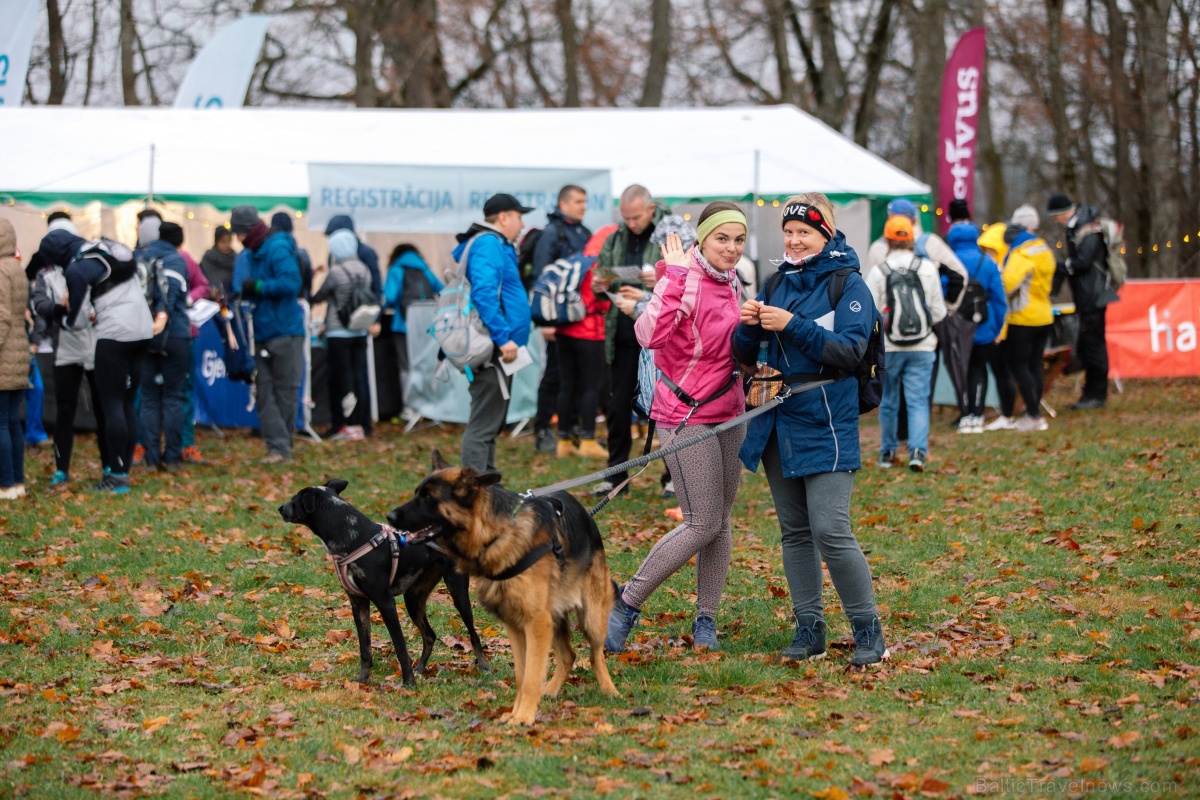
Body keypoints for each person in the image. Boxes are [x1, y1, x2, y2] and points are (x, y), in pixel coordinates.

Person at [733, 193, 889, 667]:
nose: (795, 239)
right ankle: (809, 629)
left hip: (827, 418)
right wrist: (748, 329)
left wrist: (793, 324)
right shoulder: (777, 281)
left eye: (805, 231)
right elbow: (747, 352)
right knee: (795, 532)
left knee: (830, 528)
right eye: (789, 232)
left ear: (826, 233)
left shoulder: (850, 284)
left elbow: (848, 352)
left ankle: (868, 631)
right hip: (777, 419)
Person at [605, 202, 748, 653]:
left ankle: (706, 620)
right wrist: (676, 277)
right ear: (703, 238)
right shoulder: (682, 277)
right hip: (686, 414)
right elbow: (648, 335)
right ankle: (625, 604)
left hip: (732, 410)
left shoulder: (734, 282)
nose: (731, 248)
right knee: (701, 521)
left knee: (719, 522)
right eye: (722, 238)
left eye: (739, 240)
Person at [42, 228, 153, 493]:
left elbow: (75, 321)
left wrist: (63, 313)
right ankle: (122, 471)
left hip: (115, 333)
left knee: (112, 403)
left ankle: (116, 477)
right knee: (127, 401)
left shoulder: (76, 268)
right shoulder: (107, 245)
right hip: (143, 328)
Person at [592, 185, 669, 497]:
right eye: (626, 218)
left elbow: (690, 275)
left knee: (665, 407)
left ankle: (672, 477)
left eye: (636, 217)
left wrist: (663, 277)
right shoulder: (615, 237)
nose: (632, 224)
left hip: (659, 337)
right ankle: (615, 476)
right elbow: (601, 274)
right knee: (617, 405)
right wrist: (601, 282)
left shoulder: (669, 233)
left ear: (650, 210)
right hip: (623, 335)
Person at [454, 193, 534, 473]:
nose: (522, 224)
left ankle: (486, 487)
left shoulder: (495, 244)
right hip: (493, 348)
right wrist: (503, 338)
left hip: (498, 348)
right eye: (519, 216)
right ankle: (474, 495)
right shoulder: (489, 244)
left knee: (490, 423)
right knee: (483, 425)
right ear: (503, 217)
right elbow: (485, 293)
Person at [30, 219, 108, 490]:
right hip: (65, 346)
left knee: (102, 406)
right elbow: (38, 303)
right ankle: (61, 469)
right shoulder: (46, 274)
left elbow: (109, 294)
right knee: (65, 410)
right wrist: (61, 308)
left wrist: (100, 311)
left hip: (96, 342)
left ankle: (109, 465)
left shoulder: (93, 264)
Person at [867, 215, 947, 471]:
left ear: (887, 241)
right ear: (913, 239)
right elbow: (939, 311)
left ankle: (888, 453)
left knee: (888, 401)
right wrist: (921, 327)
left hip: (889, 348)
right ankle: (917, 453)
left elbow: (870, 312)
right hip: (923, 347)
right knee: (918, 401)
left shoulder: (879, 271)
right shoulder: (927, 268)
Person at [230, 205, 305, 464]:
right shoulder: (253, 252)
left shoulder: (277, 247)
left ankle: (282, 448)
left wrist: (258, 287)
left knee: (284, 391)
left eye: (239, 232)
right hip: (262, 331)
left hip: (285, 330)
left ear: (249, 230)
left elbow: (292, 283)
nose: (238, 239)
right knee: (263, 391)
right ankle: (278, 446)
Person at [530, 185, 593, 454]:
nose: (583, 206)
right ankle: (542, 429)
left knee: (578, 376)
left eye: (585, 201)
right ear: (563, 203)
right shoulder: (551, 233)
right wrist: (546, 321)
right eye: (578, 201)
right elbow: (541, 278)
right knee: (554, 375)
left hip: (579, 318)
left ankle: (574, 429)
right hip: (556, 318)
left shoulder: (584, 232)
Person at [1047, 193, 1117, 410]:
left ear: (1062, 213)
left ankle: (1097, 395)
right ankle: (1092, 393)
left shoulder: (1088, 229)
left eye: (1055, 217)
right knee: (1088, 345)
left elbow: (1084, 262)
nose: (1055, 222)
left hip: (1092, 297)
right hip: (1087, 296)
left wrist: (1063, 265)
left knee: (1094, 346)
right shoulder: (1079, 227)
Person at [996, 205, 1056, 432]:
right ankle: (1034, 412)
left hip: (1023, 318)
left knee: (1020, 367)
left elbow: (1007, 284)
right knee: (1035, 367)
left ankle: (1033, 415)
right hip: (1044, 315)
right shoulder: (1044, 249)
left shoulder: (1020, 255)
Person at [946, 218, 1007, 434]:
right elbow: (999, 298)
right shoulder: (987, 262)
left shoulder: (948, 261)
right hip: (983, 325)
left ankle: (965, 415)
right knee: (979, 370)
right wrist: (998, 326)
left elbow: (942, 293)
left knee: (960, 370)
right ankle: (978, 415)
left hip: (957, 327)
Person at [138, 221, 191, 473]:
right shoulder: (175, 260)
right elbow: (171, 296)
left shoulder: (140, 257)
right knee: (173, 397)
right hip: (174, 335)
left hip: (143, 335)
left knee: (149, 398)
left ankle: (150, 458)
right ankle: (172, 458)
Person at [312, 229, 373, 441]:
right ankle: (362, 424)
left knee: (340, 380)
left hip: (338, 331)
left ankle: (343, 424)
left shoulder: (336, 272)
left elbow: (319, 296)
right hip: (359, 328)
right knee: (359, 379)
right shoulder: (364, 269)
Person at [553, 250, 609, 459]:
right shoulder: (598, 267)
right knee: (590, 388)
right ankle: (587, 440)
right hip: (589, 332)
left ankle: (564, 441)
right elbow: (604, 301)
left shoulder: (571, 262)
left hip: (564, 330)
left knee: (567, 386)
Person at [382, 243, 443, 420]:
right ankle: (428, 405)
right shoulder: (425, 269)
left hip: (403, 326)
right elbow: (442, 289)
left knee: (406, 367)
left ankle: (409, 406)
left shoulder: (396, 270)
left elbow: (389, 297)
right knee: (425, 365)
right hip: (426, 326)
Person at [0, 220, 28, 500]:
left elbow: (1, 317)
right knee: (11, 421)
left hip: (4, 355)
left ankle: (5, 485)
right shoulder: (16, 268)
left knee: (1, 422)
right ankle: (17, 482)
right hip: (19, 353)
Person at [323, 215, 382, 300]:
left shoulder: (366, 253)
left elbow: (376, 284)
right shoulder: (332, 255)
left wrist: (376, 305)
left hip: (362, 306)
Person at [200, 227, 237, 298]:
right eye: (223, 241)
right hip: (210, 301)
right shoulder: (208, 259)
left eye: (229, 241)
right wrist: (209, 291)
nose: (226, 244)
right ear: (217, 241)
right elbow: (200, 281)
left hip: (232, 300)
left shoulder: (235, 259)